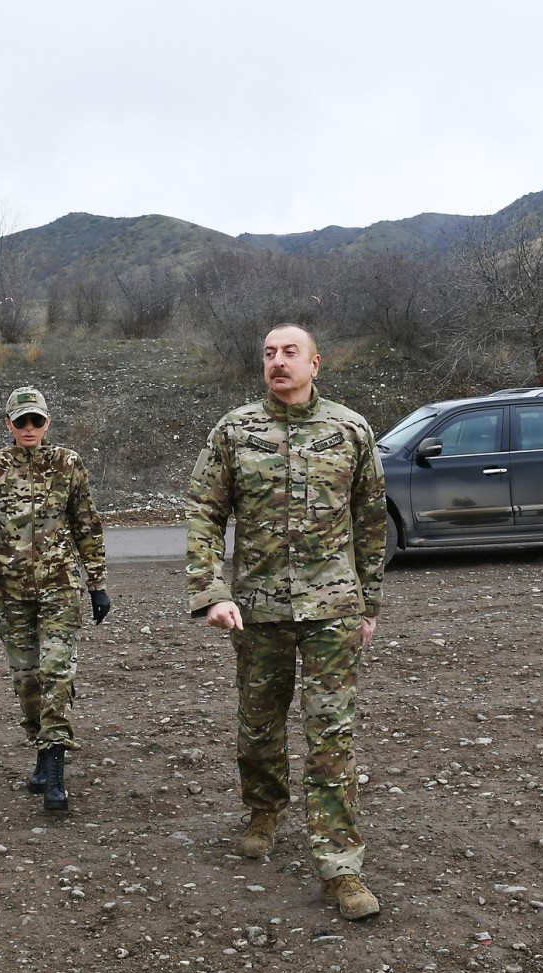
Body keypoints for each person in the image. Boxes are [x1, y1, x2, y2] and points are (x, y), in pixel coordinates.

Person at [186, 322, 387, 920]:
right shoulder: (234, 430)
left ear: (315, 364)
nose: (278, 362)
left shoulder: (351, 430)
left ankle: (341, 870)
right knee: (258, 727)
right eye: (269, 354)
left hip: (332, 612)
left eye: (289, 353)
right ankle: (265, 809)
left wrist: (368, 605)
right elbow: (204, 511)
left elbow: (372, 521)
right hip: (258, 611)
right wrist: (210, 591)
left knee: (332, 740)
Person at [0, 385, 112, 812]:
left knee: (56, 673)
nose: (29, 428)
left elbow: (87, 525)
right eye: (21, 421)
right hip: (10, 594)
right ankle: (41, 749)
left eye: (37, 421)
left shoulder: (68, 464)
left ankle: (55, 771)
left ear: (48, 422)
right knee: (27, 681)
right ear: (8, 424)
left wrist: (97, 584)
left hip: (60, 588)